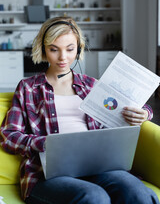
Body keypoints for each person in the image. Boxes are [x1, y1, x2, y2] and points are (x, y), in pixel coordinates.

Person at [0, 16, 159, 204]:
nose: (63, 57)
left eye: (70, 49)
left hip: (98, 166)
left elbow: (135, 105)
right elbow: (8, 135)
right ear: (43, 49)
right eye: (54, 50)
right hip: (48, 174)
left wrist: (145, 113)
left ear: (79, 48)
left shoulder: (92, 85)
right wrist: (45, 143)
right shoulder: (28, 87)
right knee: (94, 197)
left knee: (138, 193)